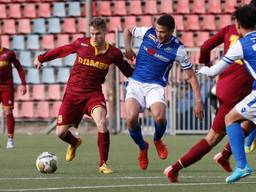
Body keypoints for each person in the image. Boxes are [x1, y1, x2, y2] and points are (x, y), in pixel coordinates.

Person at [164, 0, 256, 183]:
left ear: (238, 23)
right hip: (237, 90)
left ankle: (230, 157)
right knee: (216, 135)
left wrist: (200, 68)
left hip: (236, 88)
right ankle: (175, 168)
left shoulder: (235, 37)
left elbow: (207, 51)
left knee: (246, 122)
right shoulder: (239, 38)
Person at [33, 18, 133, 174]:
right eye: (92, 33)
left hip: (93, 94)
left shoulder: (113, 53)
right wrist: (42, 58)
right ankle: (74, 142)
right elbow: (62, 50)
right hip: (72, 94)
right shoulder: (81, 44)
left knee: (102, 122)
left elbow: (127, 71)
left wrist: (142, 72)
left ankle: (103, 164)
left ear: (105, 33)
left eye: (98, 34)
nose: (94, 37)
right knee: (60, 133)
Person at [124, 14, 204, 170]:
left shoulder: (179, 49)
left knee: (160, 118)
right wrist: (128, 48)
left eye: (163, 32)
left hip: (156, 86)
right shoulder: (148, 32)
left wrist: (198, 101)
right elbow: (128, 30)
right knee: (131, 118)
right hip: (136, 83)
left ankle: (157, 139)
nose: (159, 34)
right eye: (157, 30)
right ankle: (142, 147)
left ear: (172, 31)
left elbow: (191, 77)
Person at [198, 4, 256, 183]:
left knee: (230, 119)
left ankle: (241, 165)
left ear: (238, 25)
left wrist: (200, 70)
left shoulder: (241, 44)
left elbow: (215, 70)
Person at [0, 38, 27, 149]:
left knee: (8, 111)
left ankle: (10, 139)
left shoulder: (9, 53)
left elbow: (19, 67)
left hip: (7, 87)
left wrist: (23, 83)